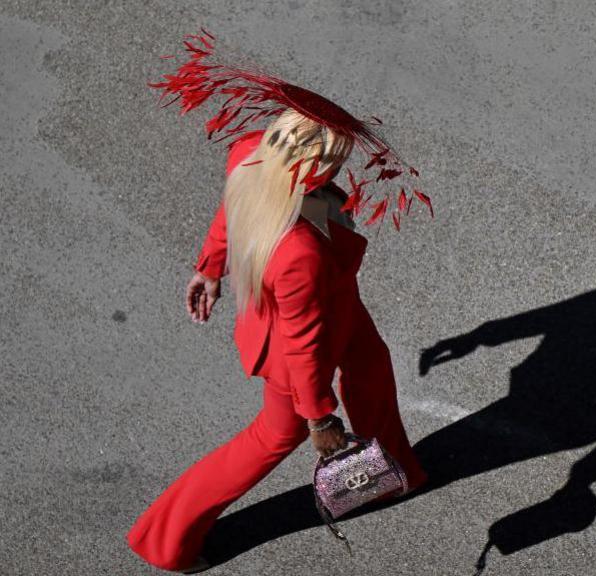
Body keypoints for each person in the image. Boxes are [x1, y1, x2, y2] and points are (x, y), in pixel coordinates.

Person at [127, 31, 431, 573]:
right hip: (301, 331)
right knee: (271, 439)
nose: (342, 172)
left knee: (370, 367)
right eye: (335, 165)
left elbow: (233, 210)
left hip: (330, 301)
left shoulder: (251, 154)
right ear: (314, 171)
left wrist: (210, 267)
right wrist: (319, 418)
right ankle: (165, 539)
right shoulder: (299, 256)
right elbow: (304, 344)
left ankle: (392, 471)